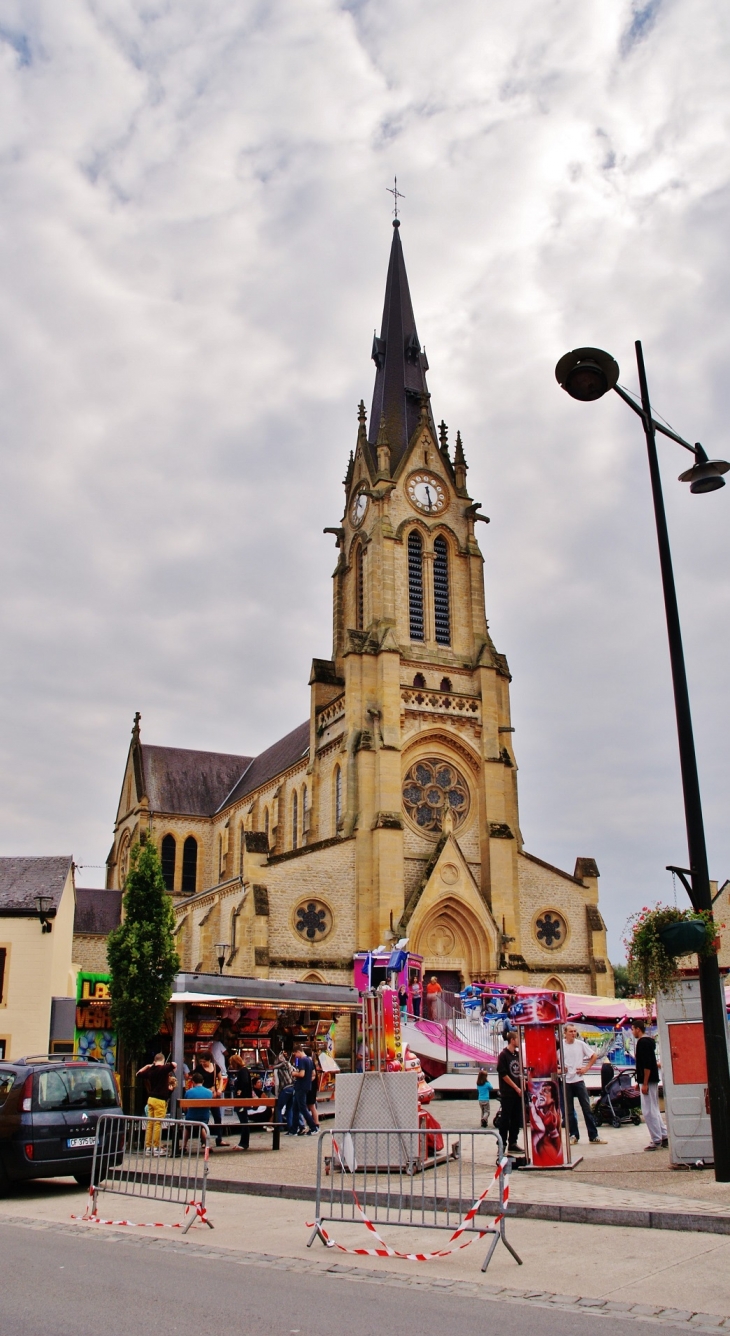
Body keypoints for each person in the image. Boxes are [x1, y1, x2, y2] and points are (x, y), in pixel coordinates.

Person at [562, 1024, 607, 1146]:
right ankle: (573, 1134)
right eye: (570, 1031)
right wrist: (560, 1067)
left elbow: (594, 1055)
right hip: (567, 1080)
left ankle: (593, 1135)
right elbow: (555, 1060)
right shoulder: (561, 1046)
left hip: (578, 1079)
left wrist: (586, 1068)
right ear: (565, 1033)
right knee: (569, 1110)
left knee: (586, 1108)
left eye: (575, 1031)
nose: (573, 1033)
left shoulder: (580, 1044)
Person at [631, 1019, 668, 1150]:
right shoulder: (649, 1042)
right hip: (651, 1079)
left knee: (648, 1111)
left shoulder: (642, 1043)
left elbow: (646, 1065)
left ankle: (656, 1138)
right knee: (654, 1108)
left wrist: (644, 1083)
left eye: (633, 1029)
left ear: (637, 1029)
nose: (632, 1032)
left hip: (648, 1080)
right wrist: (640, 1082)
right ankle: (663, 1134)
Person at [136, 1053, 176, 1156]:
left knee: (150, 1123)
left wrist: (148, 1066)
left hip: (150, 1099)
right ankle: (156, 1147)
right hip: (159, 1100)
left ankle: (148, 1147)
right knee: (158, 1123)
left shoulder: (151, 1070)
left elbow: (138, 1074)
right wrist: (166, 1066)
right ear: (162, 1060)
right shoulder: (163, 1069)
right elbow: (174, 1064)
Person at [495, 1030, 524, 1154]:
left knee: (516, 1119)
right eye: (517, 1039)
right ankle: (502, 1144)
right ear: (512, 1040)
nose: (519, 1041)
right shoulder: (503, 1055)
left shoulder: (517, 1055)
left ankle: (513, 1142)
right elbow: (503, 1074)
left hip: (518, 1093)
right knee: (505, 1120)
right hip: (508, 1093)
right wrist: (515, 1087)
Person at [193, 1051, 227, 1147]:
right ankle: (203, 1141)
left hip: (214, 1094)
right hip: (203, 1094)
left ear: (209, 1060)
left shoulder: (216, 1067)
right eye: (201, 1061)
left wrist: (220, 1088)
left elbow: (221, 1078)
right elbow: (194, 1080)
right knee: (205, 1117)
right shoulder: (199, 1069)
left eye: (205, 1061)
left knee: (218, 1116)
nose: (203, 1063)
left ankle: (219, 1138)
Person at [291, 1042, 318, 1135]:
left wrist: (294, 1074)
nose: (295, 1056)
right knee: (295, 1108)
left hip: (301, 1087)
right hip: (305, 1086)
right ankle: (293, 1130)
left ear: (298, 1051)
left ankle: (313, 1127)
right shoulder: (310, 1060)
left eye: (295, 1054)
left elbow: (301, 1074)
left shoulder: (302, 1060)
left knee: (302, 1108)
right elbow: (313, 1073)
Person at [227, 1054, 252, 1150]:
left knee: (243, 1121)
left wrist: (239, 1090)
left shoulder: (242, 1071)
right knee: (243, 1121)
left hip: (242, 1099)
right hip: (243, 1099)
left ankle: (244, 1143)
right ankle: (243, 1142)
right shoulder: (243, 1070)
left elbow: (244, 1082)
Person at [182, 1077, 211, 1152]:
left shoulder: (188, 1092)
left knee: (187, 1126)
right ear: (203, 1081)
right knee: (201, 1126)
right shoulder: (209, 1092)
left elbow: (184, 1108)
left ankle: (183, 1145)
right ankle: (207, 1145)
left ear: (193, 1082)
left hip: (191, 1117)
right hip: (204, 1117)